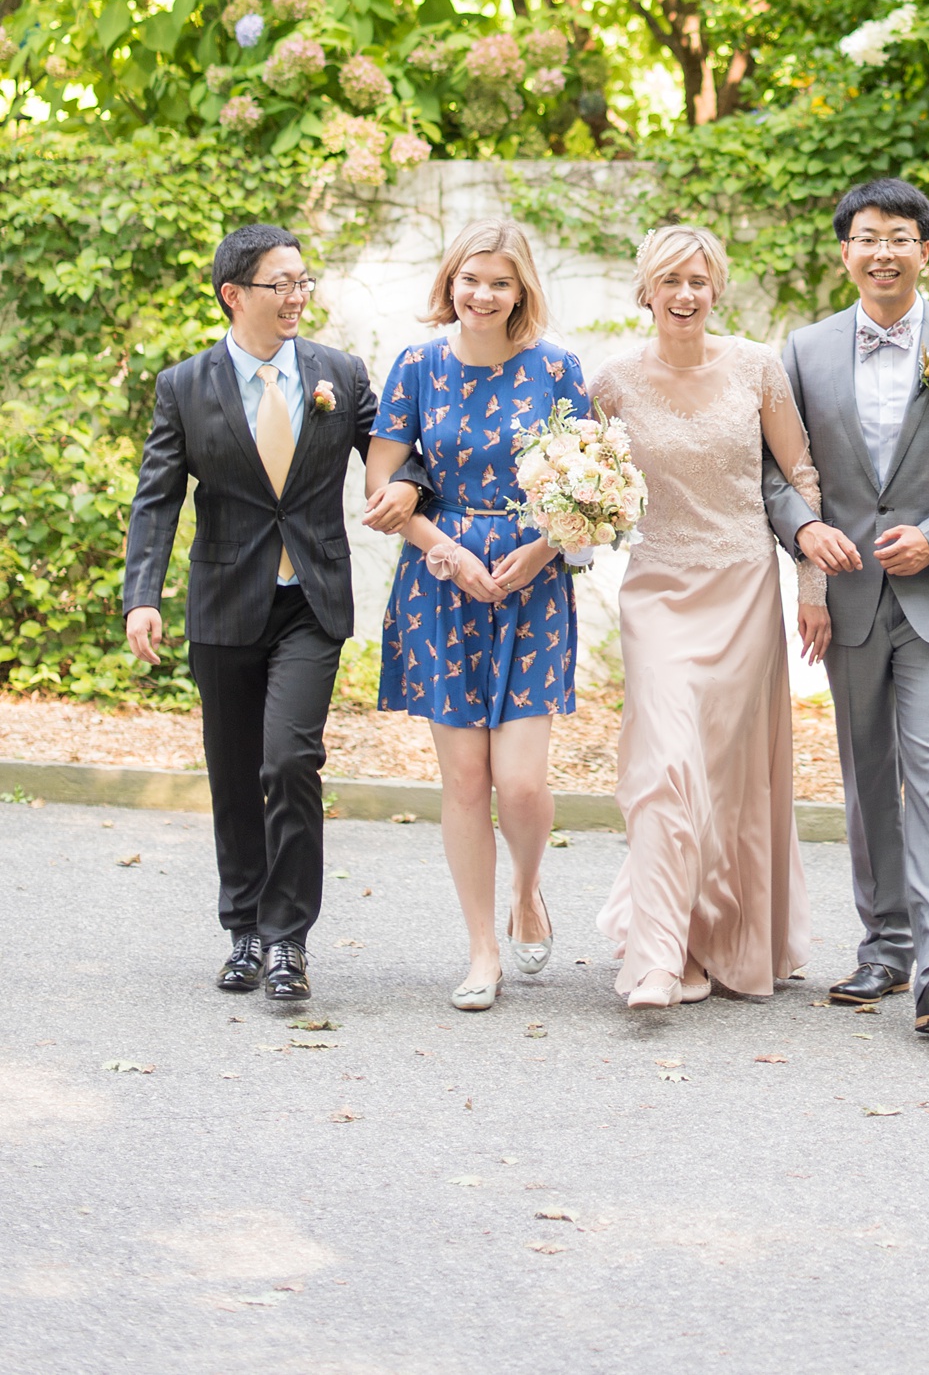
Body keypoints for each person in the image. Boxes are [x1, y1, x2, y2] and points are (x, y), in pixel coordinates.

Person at [123, 223, 428, 1004]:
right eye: (280, 283)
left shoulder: (339, 372)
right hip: (224, 605)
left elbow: (392, 450)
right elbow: (157, 497)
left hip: (311, 603)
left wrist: (409, 487)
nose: (297, 296)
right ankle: (244, 930)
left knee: (289, 760)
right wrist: (141, 596)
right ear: (235, 294)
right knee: (232, 772)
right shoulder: (185, 386)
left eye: (303, 281)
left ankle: (289, 939)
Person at [762, 179, 929, 1036]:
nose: (885, 250)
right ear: (844, 250)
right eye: (868, 235)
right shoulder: (801, 352)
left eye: (902, 236)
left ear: (927, 248)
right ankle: (885, 944)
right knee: (866, 774)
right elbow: (774, 471)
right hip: (848, 596)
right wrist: (805, 533)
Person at [590, 224, 831, 1009]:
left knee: (725, 778)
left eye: (698, 280)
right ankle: (660, 954)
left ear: (715, 286)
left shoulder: (759, 366)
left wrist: (813, 587)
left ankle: (714, 938)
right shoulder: (613, 382)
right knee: (665, 764)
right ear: (647, 290)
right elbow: (588, 488)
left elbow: (798, 474)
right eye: (671, 281)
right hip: (657, 587)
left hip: (742, 587)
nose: (685, 295)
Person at [366, 218, 588, 1010]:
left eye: (499, 281)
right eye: (471, 279)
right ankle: (481, 947)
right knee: (464, 779)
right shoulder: (417, 365)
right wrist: (446, 549)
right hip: (440, 580)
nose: (483, 294)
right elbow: (382, 487)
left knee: (521, 784)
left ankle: (528, 889)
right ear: (450, 282)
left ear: (520, 287)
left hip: (532, 578)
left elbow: (589, 487)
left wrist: (539, 550)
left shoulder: (558, 367)